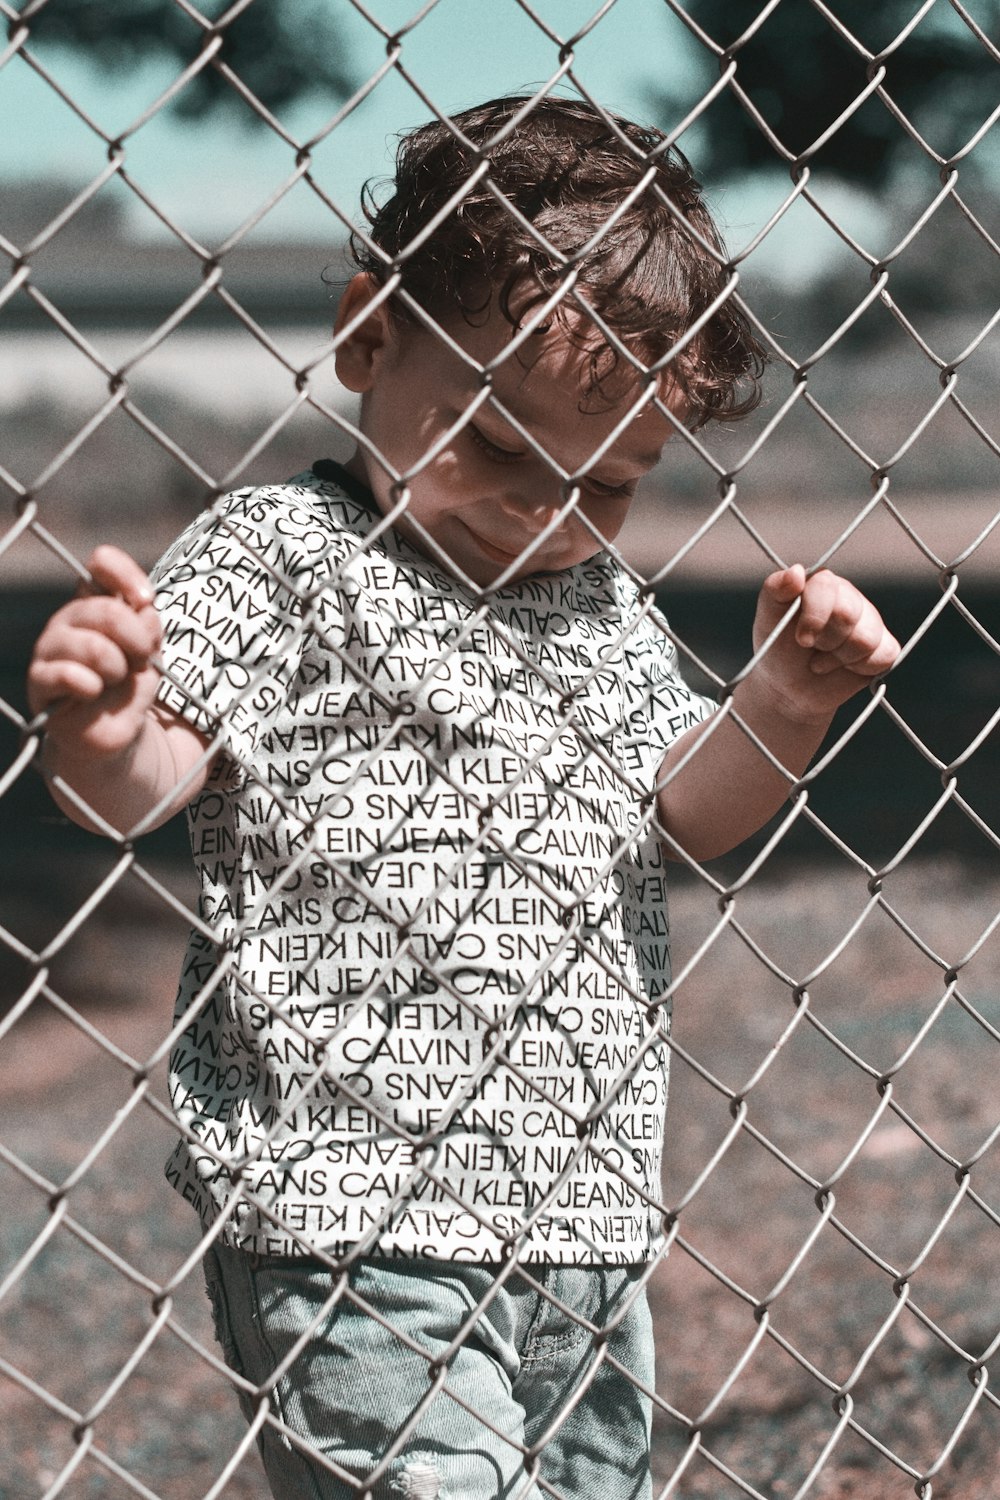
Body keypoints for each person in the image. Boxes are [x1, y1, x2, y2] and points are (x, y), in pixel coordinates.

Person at [26, 96, 899, 1500]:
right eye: (501, 450)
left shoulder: (594, 603)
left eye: (607, 483)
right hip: (348, 1211)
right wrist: (104, 718)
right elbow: (141, 784)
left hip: (585, 1214)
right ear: (372, 336)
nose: (545, 513)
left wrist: (784, 707)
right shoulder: (280, 555)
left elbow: (685, 812)